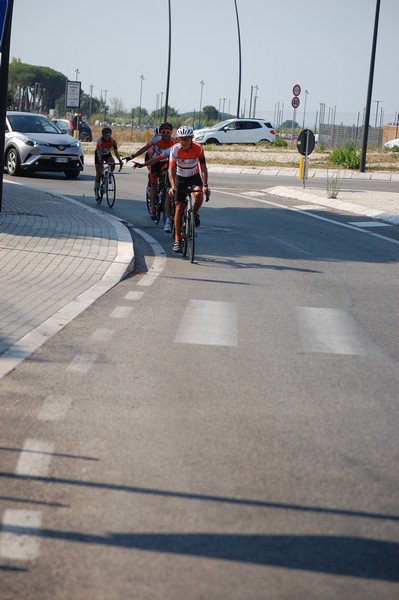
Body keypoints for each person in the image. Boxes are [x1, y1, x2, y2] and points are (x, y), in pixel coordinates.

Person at [125, 122, 175, 231]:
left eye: (167, 132)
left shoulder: (173, 143)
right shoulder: (155, 140)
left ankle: (164, 194)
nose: (165, 134)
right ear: (160, 133)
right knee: (153, 184)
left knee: (167, 179)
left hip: (166, 162)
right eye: (163, 132)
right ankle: (153, 208)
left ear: (171, 133)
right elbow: (144, 148)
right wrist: (132, 156)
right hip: (155, 162)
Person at [168, 126, 210, 252]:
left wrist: (205, 185)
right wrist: (173, 186)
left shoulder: (198, 148)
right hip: (180, 177)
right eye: (181, 139)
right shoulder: (175, 149)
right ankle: (177, 239)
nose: (184, 142)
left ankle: (195, 213)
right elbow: (171, 169)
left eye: (186, 139)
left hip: (193, 176)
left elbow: (203, 167)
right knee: (179, 207)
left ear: (191, 138)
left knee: (198, 194)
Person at [94, 126, 123, 201]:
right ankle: (97, 192)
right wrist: (100, 161)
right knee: (99, 173)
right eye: (105, 135)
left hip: (107, 154)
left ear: (110, 135)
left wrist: (119, 160)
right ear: (102, 135)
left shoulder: (113, 141)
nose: (107, 136)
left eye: (108, 135)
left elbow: (116, 152)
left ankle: (108, 174)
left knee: (112, 163)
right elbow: (99, 152)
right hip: (99, 154)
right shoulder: (100, 141)